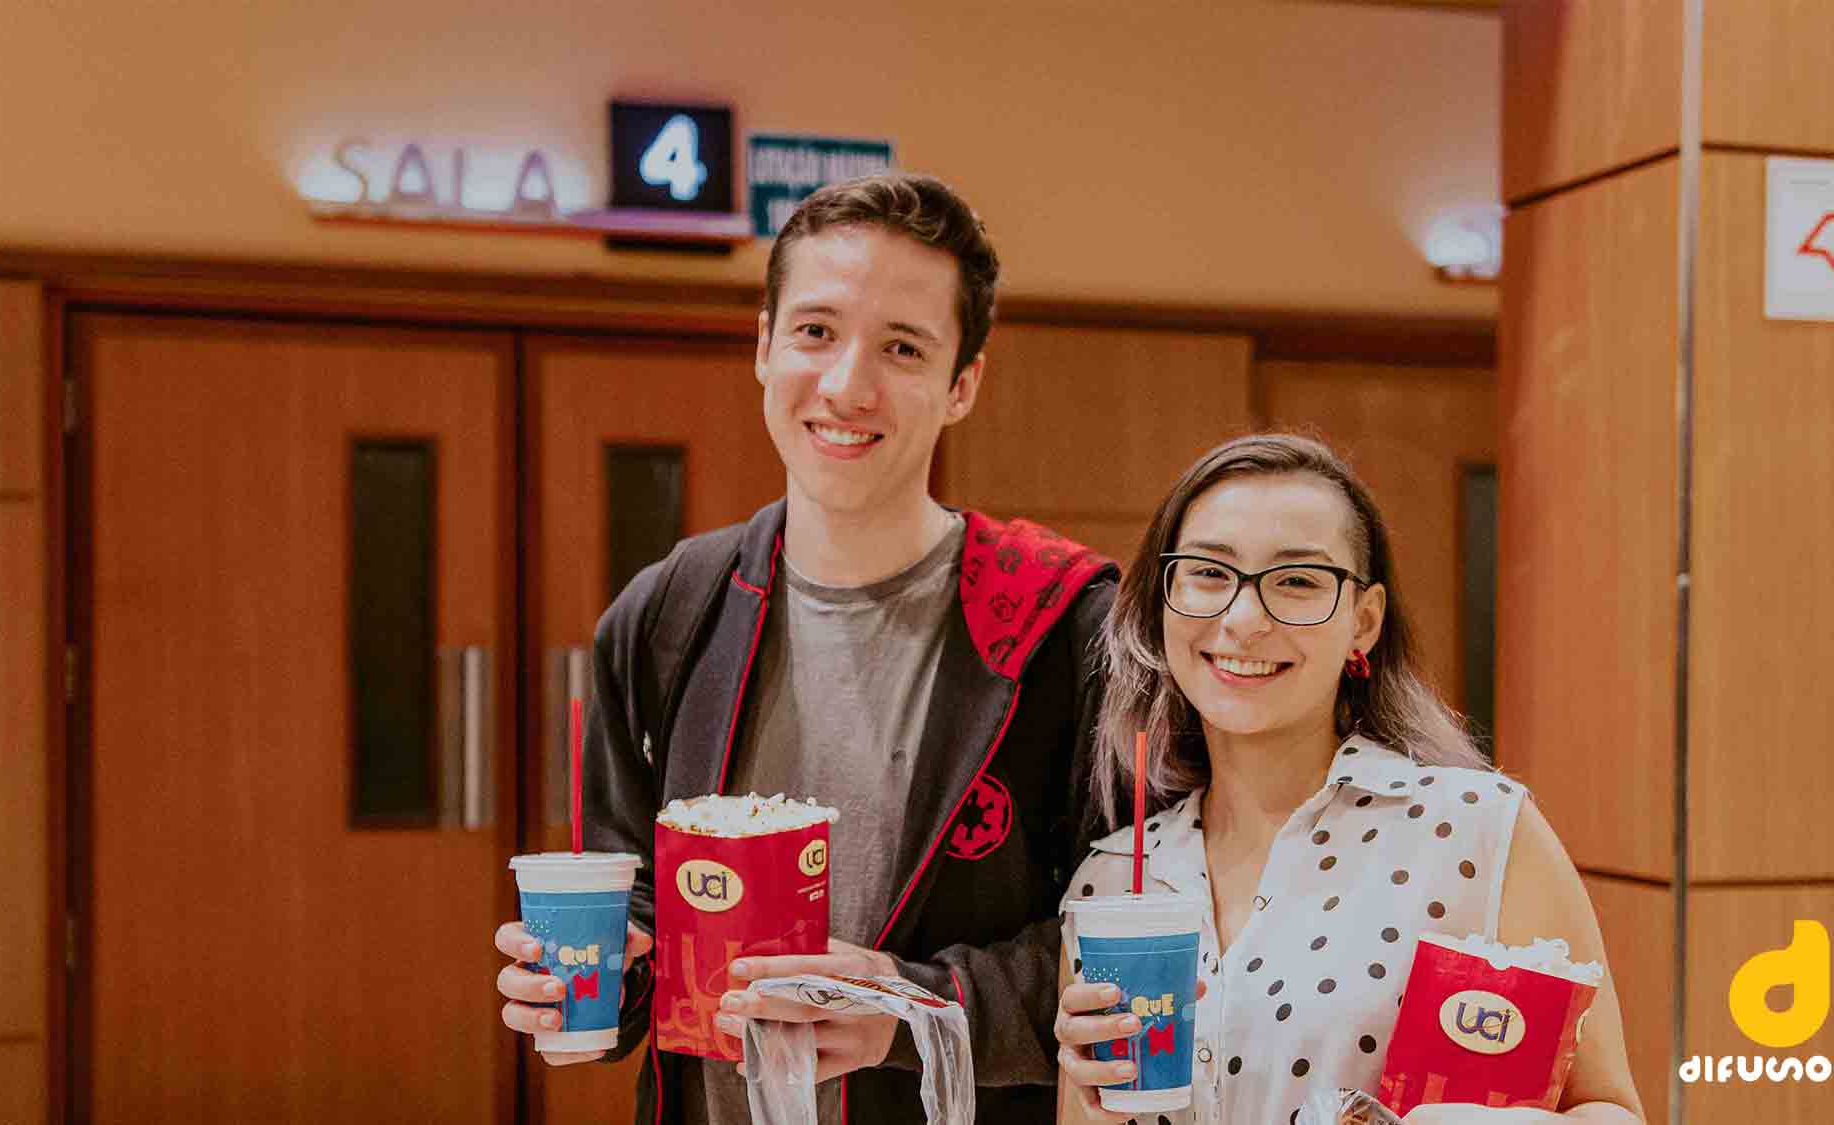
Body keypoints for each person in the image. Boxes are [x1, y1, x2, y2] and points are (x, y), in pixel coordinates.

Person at [493, 173, 1119, 1124]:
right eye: (816, 331)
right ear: (764, 345)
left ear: (962, 385)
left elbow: (1125, 944)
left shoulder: (1061, 623)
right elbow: (641, 911)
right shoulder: (668, 612)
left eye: (902, 347)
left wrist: (908, 1005)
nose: (847, 386)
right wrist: (594, 975)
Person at [1053, 434, 1645, 1124]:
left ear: (1364, 622)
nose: (1243, 619)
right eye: (1209, 573)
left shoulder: (1481, 835)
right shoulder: (1111, 882)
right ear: (1162, 603)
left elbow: (1610, 1111)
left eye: (1297, 581)